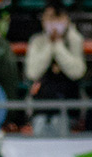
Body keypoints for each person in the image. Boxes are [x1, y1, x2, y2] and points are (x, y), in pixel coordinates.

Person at [25, 0, 86, 136]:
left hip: (69, 107)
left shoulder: (75, 39)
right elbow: (32, 73)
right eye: (49, 17)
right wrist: (49, 45)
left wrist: (58, 45)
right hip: (40, 108)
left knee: (61, 124)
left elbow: (77, 72)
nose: (53, 22)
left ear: (66, 19)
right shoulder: (37, 41)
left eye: (57, 17)